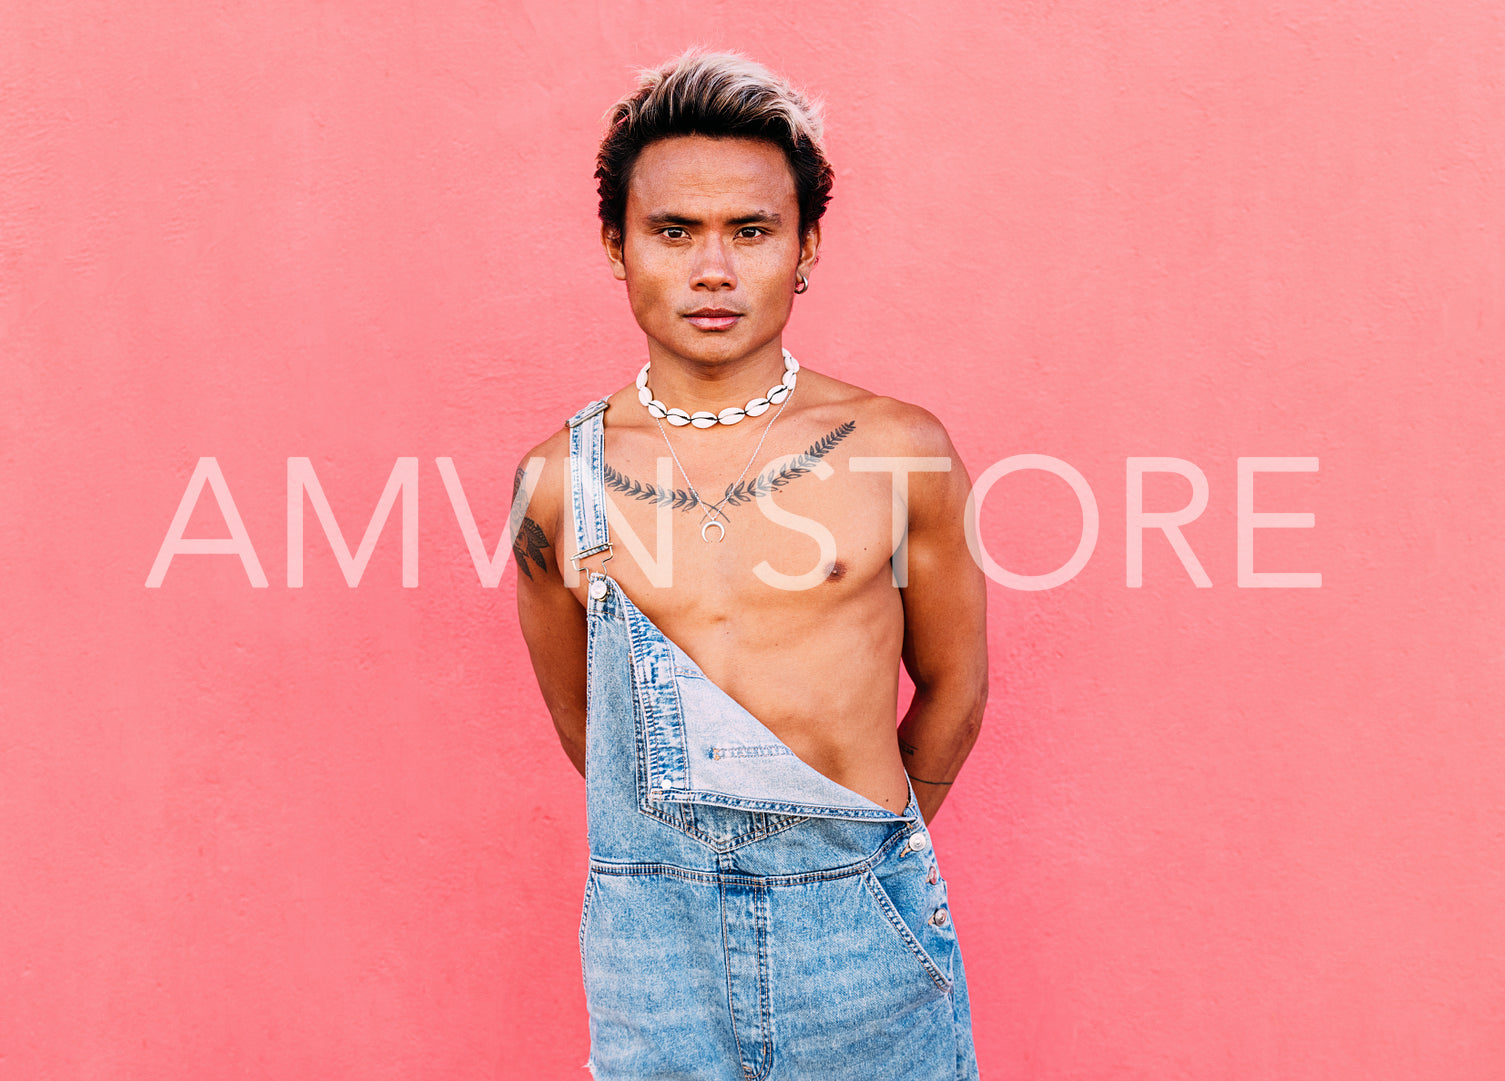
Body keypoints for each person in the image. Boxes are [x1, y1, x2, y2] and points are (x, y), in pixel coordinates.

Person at [513, 48, 988, 1079]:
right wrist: (676, 863)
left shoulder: (897, 449)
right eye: (673, 232)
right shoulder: (558, 483)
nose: (712, 269)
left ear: (805, 245)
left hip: (857, 929)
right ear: (615, 244)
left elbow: (955, 681)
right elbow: (578, 717)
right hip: (651, 947)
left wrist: (859, 860)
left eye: (751, 231)